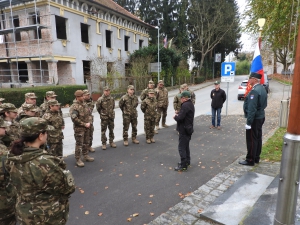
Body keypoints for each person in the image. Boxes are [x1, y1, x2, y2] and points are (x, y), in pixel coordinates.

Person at [6, 117, 75, 224]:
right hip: (46, 216)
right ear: (40, 136)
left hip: (24, 213)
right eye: (46, 132)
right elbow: (66, 188)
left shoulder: (13, 155)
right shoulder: (45, 162)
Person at [239, 72, 267, 166]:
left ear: (255, 79)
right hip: (260, 116)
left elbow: (252, 108)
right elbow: (264, 104)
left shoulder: (254, 91)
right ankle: (256, 157)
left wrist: (249, 122)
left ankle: (250, 159)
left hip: (254, 119)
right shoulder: (262, 88)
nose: (249, 80)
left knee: (251, 139)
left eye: (250, 78)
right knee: (258, 138)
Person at [69, 90, 94, 167]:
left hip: (87, 126)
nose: (84, 97)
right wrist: (84, 124)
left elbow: (89, 114)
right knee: (79, 144)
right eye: (82, 96)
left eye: (83, 95)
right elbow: (74, 119)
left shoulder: (85, 104)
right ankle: (78, 159)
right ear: (77, 97)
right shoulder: (74, 107)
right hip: (79, 128)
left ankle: (85, 155)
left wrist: (89, 122)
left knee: (86, 142)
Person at [173, 91, 195, 172]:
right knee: (186, 146)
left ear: (184, 98)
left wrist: (175, 116)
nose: (180, 99)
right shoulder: (190, 104)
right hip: (188, 128)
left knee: (181, 147)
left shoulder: (185, 105)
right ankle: (187, 161)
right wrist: (180, 112)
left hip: (184, 129)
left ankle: (183, 165)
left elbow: (180, 118)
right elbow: (185, 114)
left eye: (181, 98)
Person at [0, 118, 16, 225]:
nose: (5, 129)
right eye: (2, 127)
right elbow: (8, 171)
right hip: (4, 198)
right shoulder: (1, 150)